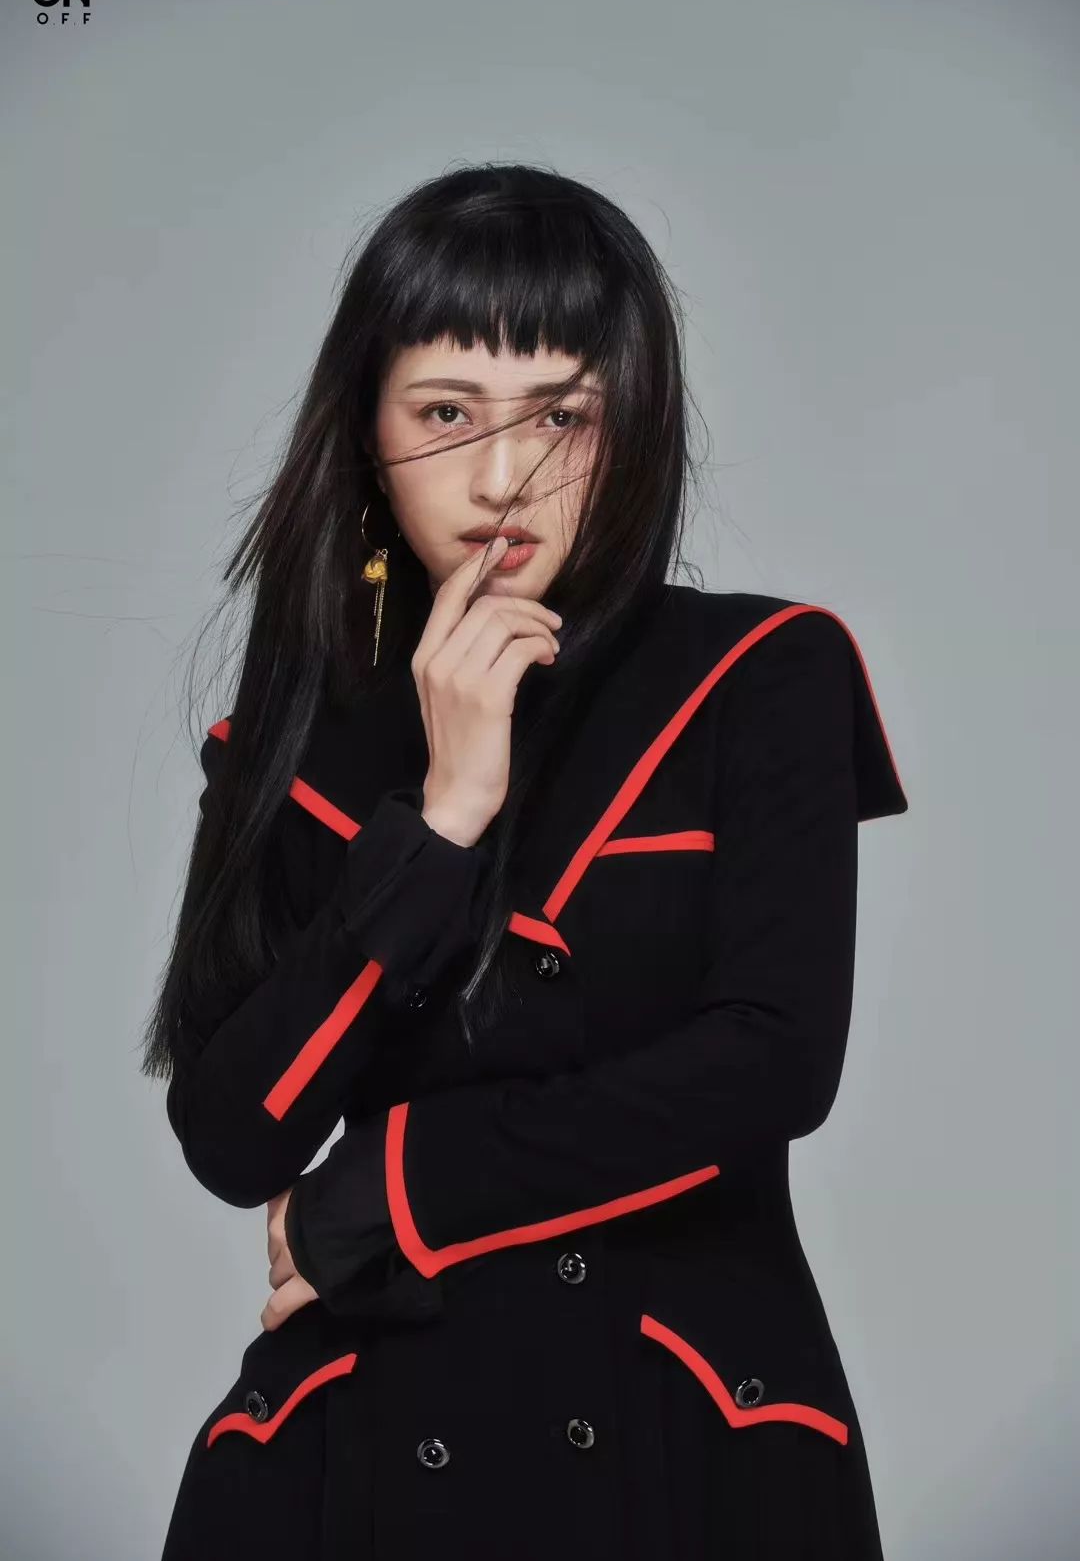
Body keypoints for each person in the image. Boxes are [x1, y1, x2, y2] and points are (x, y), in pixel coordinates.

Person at [144, 162, 908, 1561]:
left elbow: (773, 1061)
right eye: (446, 414)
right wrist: (441, 820)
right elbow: (234, 1132)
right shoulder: (289, 745)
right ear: (367, 432)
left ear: (633, 429)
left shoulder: (762, 672)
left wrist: (393, 1186)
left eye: (563, 415)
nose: (504, 479)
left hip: (683, 1439)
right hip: (357, 1457)